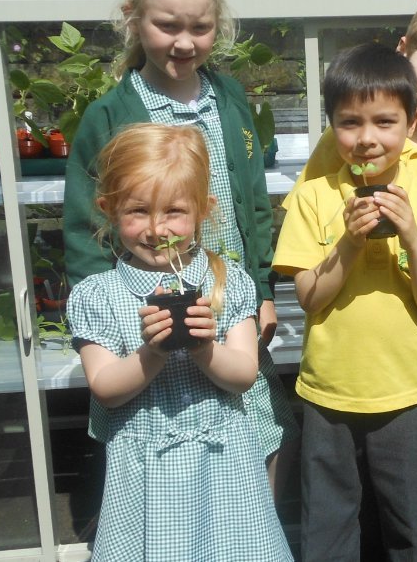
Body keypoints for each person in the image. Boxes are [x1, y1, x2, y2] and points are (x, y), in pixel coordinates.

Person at [62, 0, 298, 497]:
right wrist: (109, 319)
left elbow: (253, 201)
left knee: (254, 426)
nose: (185, 42)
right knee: (163, 437)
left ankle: (248, 527)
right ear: (133, 18)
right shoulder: (109, 116)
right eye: (168, 26)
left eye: (201, 27)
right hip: (149, 312)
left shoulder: (228, 97)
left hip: (229, 299)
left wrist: (262, 291)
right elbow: (83, 229)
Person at [282, 0, 417, 557]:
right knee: (344, 502)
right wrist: (350, 237)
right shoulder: (331, 166)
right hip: (345, 359)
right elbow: (314, 237)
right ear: (405, 52)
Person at [67, 123, 293, 561]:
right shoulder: (98, 295)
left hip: (225, 465)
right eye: (137, 211)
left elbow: (244, 375)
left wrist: (205, 348)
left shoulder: (228, 283)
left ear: (203, 210)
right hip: (145, 471)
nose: (156, 229)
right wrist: (152, 352)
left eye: (173, 211)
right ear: (108, 209)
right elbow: (106, 388)